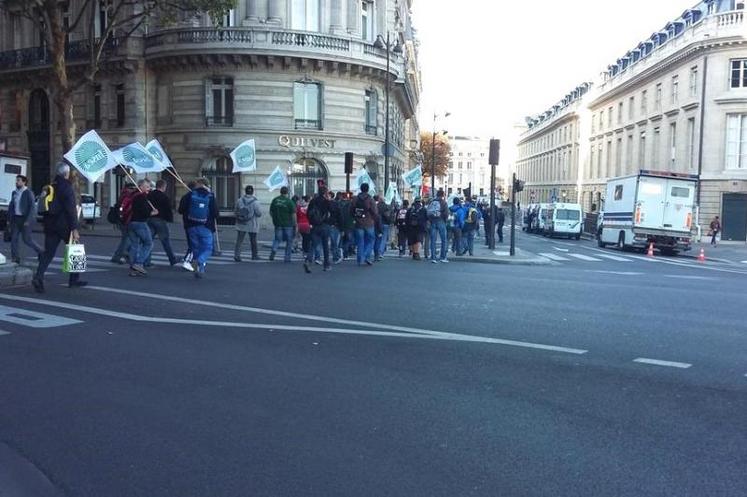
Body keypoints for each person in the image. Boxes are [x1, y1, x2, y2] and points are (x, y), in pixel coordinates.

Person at [32, 162, 86, 292]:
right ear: (66, 173)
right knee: (75, 251)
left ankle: (38, 276)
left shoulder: (50, 186)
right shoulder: (67, 187)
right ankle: (74, 280)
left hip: (50, 225)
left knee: (48, 253)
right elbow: (71, 210)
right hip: (65, 225)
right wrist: (75, 228)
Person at [178, 177, 218, 278]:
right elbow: (216, 213)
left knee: (195, 248)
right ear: (206, 185)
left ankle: (199, 267)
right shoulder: (210, 196)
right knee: (208, 247)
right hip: (206, 226)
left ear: (197, 184)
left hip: (191, 226)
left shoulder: (189, 195)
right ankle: (201, 262)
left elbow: (180, 210)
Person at [8, 174, 42, 264]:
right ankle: (15, 258)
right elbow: (12, 206)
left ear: (24, 182)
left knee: (27, 240)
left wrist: (28, 220)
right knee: (14, 239)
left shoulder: (28, 192)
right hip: (16, 218)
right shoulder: (14, 192)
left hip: (25, 219)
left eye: (18, 180)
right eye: (16, 180)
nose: (16, 182)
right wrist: (9, 218)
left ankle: (41, 252)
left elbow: (32, 208)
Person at [127, 179, 158, 276]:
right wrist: (153, 212)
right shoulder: (141, 197)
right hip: (140, 222)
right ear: (141, 187)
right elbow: (143, 212)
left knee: (134, 245)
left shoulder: (132, 195)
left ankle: (133, 268)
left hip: (130, 222)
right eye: (147, 187)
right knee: (148, 243)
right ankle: (139, 263)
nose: (149, 189)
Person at [145, 179, 177, 267]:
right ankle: (172, 259)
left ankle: (147, 260)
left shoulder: (149, 195)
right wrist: (170, 219)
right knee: (165, 240)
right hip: (160, 220)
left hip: (150, 219)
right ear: (164, 187)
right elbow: (168, 209)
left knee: (149, 241)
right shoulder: (164, 197)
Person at [305, 185, 334, 273]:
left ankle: (308, 260)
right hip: (324, 225)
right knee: (325, 245)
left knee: (313, 244)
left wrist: (311, 223)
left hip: (314, 225)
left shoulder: (313, 201)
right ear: (325, 193)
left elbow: (308, 213)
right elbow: (332, 210)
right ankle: (326, 265)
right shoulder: (326, 201)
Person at [351, 183, 378, 266]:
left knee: (360, 241)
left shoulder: (355, 198)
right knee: (370, 240)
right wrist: (374, 219)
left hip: (358, 222)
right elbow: (375, 211)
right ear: (368, 189)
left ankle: (360, 259)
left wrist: (355, 218)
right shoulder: (370, 199)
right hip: (368, 222)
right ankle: (366, 256)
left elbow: (351, 210)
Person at [110, 183, 137, 264]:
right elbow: (125, 209)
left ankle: (125, 255)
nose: (133, 190)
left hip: (122, 220)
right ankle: (118, 256)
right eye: (132, 188)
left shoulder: (123, 194)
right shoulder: (127, 196)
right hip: (124, 220)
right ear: (128, 188)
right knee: (126, 239)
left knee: (127, 239)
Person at [234, 185, 262, 261]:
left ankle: (237, 255)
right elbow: (259, 214)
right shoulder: (256, 202)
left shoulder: (239, 200)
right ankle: (254, 255)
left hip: (241, 223)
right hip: (252, 224)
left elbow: (235, 211)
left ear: (245, 191)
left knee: (239, 240)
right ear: (252, 192)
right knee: (253, 240)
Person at [269, 186, 296, 263]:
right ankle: (287, 258)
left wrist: (274, 219)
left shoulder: (275, 200)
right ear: (287, 192)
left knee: (277, 239)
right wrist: (295, 224)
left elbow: (271, 212)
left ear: (280, 192)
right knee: (289, 241)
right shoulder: (289, 202)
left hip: (278, 223)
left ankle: (273, 250)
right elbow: (293, 214)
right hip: (288, 224)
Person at [177, 181, 197, 271]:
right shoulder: (197, 197)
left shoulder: (185, 197)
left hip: (187, 222)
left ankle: (189, 258)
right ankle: (188, 260)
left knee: (191, 241)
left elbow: (180, 210)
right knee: (194, 243)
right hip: (197, 222)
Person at [427, 189, 449, 263]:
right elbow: (446, 213)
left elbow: (428, 212)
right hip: (441, 221)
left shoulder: (432, 202)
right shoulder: (443, 202)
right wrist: (445, 220)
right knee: (444, 240)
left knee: (433, 240)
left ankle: (433, 257)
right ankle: (442, 257)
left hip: (433, 221)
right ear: (443, 195)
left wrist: (430, 220)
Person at [376, 195, 393, 261]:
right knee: (383, 239)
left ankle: (377, 252)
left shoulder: (376, 206)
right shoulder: (386, 206)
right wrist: (390, 222)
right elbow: (388, 216)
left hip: (377, 224)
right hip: (385, 224)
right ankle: (381, 252)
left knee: (377, 238)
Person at [296, 195, 312, 263]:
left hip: (300, 224)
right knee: (307, 239)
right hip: (307, 224)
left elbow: (297, 216)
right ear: (308, 200)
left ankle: (304, 252)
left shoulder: (299, 207)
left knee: (304, 239)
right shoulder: (310, 207)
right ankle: (307, 252)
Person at [329, 191, 344, 264]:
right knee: (334, 242)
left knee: (333, 242)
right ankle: (336, 256)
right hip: (335, 225)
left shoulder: (325, 204)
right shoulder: (336, 205)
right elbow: (340, 217)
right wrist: (342, 228)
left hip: (329, 224)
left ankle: (335, 256)